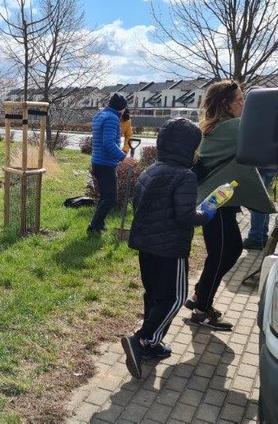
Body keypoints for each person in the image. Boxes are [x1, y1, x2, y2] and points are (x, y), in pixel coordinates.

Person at [184, 80, 278, 330]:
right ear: (226, 104)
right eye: (239, 100)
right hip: (215, 202)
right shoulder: (231, 127)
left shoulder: (219, 126)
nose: (244, 104)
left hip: (216, 201)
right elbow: (274, 123)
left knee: (227, 250)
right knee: (224, 252)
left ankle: (200, 296)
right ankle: (202, 309)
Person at [121, 118, 213, 379]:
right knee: (174, 298)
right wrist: (206, 213)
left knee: (154, 295)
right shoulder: (185, 176)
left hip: (146, 246)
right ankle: (141, 339)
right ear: (189, 148)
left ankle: (152, 344)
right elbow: (185, 217)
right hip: (170, 249)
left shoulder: (151, 170)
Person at [243, 128, 278, 250]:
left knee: (258, 203)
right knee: (264, 201)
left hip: (260, 165)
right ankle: (262, 236)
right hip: (274, 165)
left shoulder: (262, 120)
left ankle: (256, 238)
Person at [88, 93, 134, 234]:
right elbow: (108, 143)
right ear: (122, 108)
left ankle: (99, 225)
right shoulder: (112, 118)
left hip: (97, 161)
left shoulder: (100, 115)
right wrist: (123, 158)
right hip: (106, 164)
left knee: (104, 196)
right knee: (110, 199)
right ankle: (94, 226)